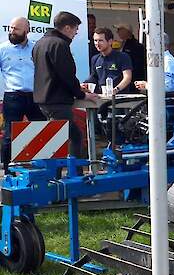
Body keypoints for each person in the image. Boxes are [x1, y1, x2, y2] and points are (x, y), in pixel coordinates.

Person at [32, 11, 99, 157]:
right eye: (75, 29)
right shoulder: (59, 44)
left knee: (56, 140)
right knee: (73, 137)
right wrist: (81, 94)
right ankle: (73, 173)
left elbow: (51, 72)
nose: (76, 33)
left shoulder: (40, 43)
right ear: (67, 28)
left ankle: (58, 173)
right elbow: (66, 74)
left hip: (43, 100)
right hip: (57, 101)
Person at [0, 16, 45, 169]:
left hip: (36, 96)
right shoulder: (2, 49)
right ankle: (7, 171)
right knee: (9, 136)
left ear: (27, 31)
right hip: (13, 97)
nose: (12, 32)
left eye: (16, 29)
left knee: (41, 133)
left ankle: (42, 169)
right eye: (11, 28)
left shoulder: (36, 48)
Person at [85, 27, 133, 95]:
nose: (97, 43)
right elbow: (93, 77)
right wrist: (85, 85)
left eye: (101, 40)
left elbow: (127, 77)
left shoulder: (122, 57)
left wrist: (116, 89)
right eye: (95, 40)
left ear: (110, 41)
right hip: (102, 98)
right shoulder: (95, 59)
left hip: (120, 98)